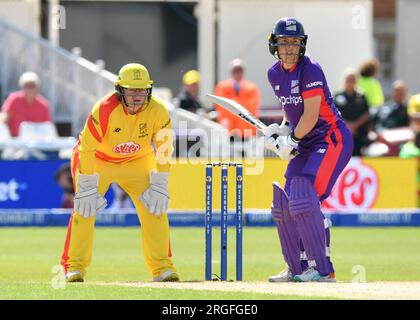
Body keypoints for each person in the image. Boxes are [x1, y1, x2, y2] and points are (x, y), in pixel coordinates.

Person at [61, 63, 179, 283]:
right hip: (98, 159)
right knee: (85, 208)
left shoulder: (158, 111)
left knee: (155, 207)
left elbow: (164, 149)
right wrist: (86, 184)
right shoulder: (103, 109)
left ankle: (162, 268)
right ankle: (74, 267)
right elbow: (87, 148)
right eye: (131, 90)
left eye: (142, 90)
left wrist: (161, 182)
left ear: (149, 90)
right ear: (120, 90)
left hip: (137, 160)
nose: (137, 96)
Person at [264, 17, 353, 282]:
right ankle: (298, 268)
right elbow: (291, 109)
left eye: (294, 42)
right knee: (286, 203)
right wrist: (281, 130)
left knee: (305, 198)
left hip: (331, 139)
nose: (289, 48)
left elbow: (312, 116)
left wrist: (290, 140)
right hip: (306, 141)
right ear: (274, 45)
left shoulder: (310, 69)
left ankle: (324, 269)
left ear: (302, 45)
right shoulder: (274, 73)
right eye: (284, 42)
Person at [214, 59, 261, 138]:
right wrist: (240, 103)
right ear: (231, 72)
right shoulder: (222, 86)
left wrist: (233, 103)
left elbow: (252, 107)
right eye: (235, 70)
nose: (237, 73)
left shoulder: (252, 87)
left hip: (247, 131)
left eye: (240, 70)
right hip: (227, 131)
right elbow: (221, 106)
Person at [0, 72, 52, 136]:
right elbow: (4, 117)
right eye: (26, 85)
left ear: (37, 88)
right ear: (22, 87)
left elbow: (47, 127)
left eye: (32, 86)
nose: (29, 89)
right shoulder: (14, 99)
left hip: (37, 142)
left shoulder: (44, 104)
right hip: (14, 141)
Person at [334, 69, 370, 156]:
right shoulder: (337, 96)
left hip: (358, 134)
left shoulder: (361, 96)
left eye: (353, 80)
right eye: (348, 79)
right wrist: (347, 125)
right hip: (341, 134)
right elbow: (333, 113)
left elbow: (366, 114)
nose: (350, 82)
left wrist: (354, 125)